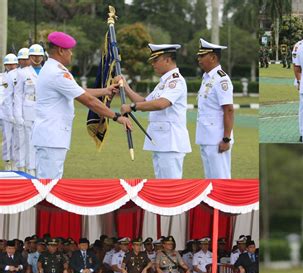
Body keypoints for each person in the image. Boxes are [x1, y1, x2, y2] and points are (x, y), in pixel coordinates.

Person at [32, 31, 132, 179]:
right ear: (60, 50)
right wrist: (117, 117)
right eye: (69, 50)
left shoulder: (56, 69)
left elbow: (79, 90)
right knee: (49, 184)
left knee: (50, 182)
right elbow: (87, 100)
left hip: (52, 136)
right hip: (51, 137)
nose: (71, 54)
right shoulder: (57, 73)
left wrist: (105, 90)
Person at [117, 44, 191, 178]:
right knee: (161, 186)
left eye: (155, 60)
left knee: (170, 188)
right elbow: (145, 102)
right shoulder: (163, 82)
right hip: (160, 141)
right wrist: (125, 86)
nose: (152, 64)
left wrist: (132, 107)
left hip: (171, 143)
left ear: (168, 60)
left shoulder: (176, 81)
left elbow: (162, 103)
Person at [196, 38, 234, 179]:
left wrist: (226, 139)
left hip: (218, 139)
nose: (199, 59)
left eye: (202, 56)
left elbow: (228, 109)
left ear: (213, 57)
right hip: (206, 137)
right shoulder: (206, 78)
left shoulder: (221, 79)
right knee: (210, 180)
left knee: (221, 179)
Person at [14, 44, 45, 176]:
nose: (36, 58)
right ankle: (31, 169)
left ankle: (41, 169)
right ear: (30, 57)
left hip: (44, 110)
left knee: (43, 142)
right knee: (30, 142)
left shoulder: (47, 71)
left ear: (43, 57)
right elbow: (17, 95)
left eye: (39, 56)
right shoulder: (22, 73)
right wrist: (18, 115)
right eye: (33, 56)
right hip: (28, 109)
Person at [1, 54, 19, 171]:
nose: (10, 66)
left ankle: (12, 162)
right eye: (8, 64)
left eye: (12, 64)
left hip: (12, 112)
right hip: (3, 112)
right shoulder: (1, 77)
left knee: (13, 138)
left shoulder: (19, 76)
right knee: (8, 138)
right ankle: (8, 162)